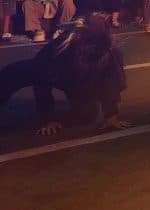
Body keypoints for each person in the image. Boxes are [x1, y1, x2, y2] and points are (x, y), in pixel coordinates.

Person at [0, 14, 128, 136]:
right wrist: (48, 119)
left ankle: (78, 99)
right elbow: (42, 81)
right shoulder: (57, 51)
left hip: (80, 81)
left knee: (86, 115)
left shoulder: (111, 53)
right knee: (10, 75)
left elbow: (112, 84)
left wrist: (111, 115)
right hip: (61, 73)